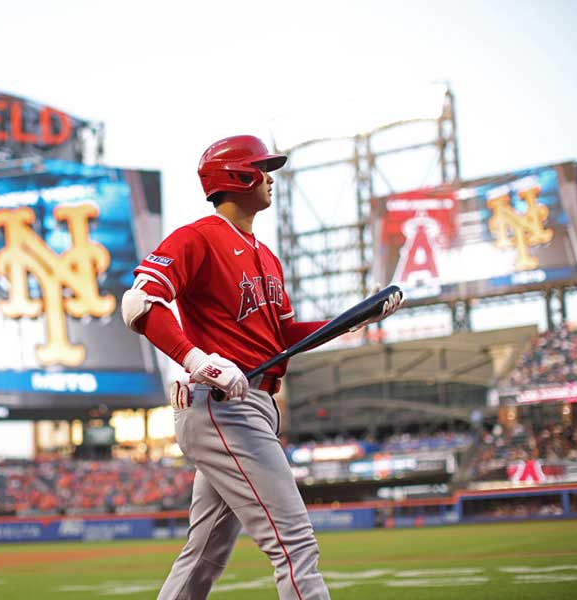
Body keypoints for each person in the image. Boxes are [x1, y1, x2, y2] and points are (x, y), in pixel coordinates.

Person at [121, 134, 402, 599]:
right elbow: (139, 303)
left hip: (253, 402)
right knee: (294, 545)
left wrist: (353, 319)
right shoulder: (198, 237)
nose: (269, 178)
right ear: (237, 176)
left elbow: (284, 338)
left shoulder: (265, 255)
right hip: (223, 403)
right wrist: (199, 361)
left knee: (205, 551)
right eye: (261, 168)